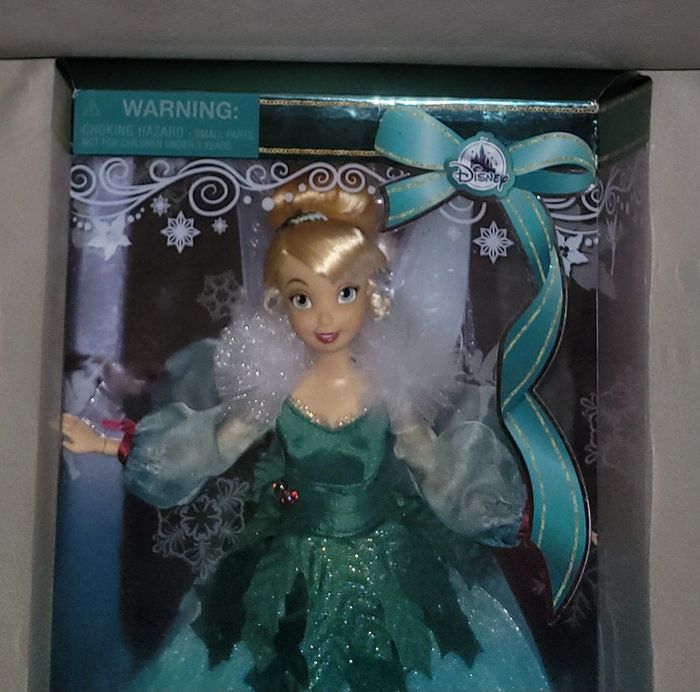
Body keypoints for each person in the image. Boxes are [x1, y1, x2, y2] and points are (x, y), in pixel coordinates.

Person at [62, 182, 552, 691]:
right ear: (281, 303)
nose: (324, 317)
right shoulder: (275, 390)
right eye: (303, 297)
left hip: (386, 558)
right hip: (289, 564)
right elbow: (214, 445)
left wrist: (515, 517)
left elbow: (434, 462)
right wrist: (108, 444)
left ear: (370, 296)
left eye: (344, 293)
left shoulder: (389, 387)